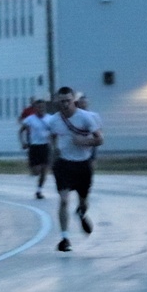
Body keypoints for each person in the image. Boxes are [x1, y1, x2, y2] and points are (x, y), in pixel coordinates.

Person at [45, 86, 103, 252]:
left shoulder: (86, 118)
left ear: (73, 101)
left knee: (83, 201)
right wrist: (53, 152)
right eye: (61, 101)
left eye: (68, 101)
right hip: (64, 164)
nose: (65, 104)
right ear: (57, 101)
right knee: (63, 200)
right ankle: (64, 238)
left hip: (83, 164)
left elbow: (100, 139)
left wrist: (83, 142)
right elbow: (52, 136)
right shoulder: (54, 120)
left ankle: (81, 213)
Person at [18, 99, 51, 199]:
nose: (41, 109)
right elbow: (20, 131)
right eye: (38, 107)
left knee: (44, 170)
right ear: (35, 108)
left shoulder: (50, 118)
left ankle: (39, 190)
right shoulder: (30, 119)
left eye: (42, 107)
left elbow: (55, 132)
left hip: (45, 145)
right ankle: (32, 168)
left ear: (45, 107)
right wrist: (23, 142)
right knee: (36, 171)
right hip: (34, 146)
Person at [76, 93, 102, 168]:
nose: (83, 104)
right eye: (81, 103)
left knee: (91, 162)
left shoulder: (93, 115)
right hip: (80, 141)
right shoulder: (75, 116)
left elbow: (99, 129)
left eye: (84, 102)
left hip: (91, 141)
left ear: (87, 103)